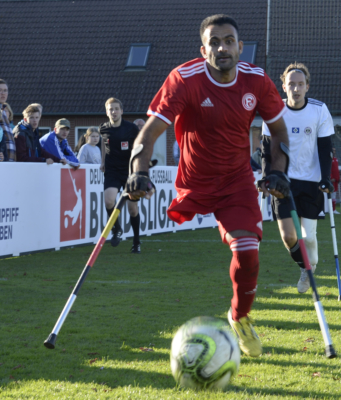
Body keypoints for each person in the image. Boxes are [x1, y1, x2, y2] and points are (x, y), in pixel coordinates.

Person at [125, 14, 290, 357]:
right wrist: (138, 171)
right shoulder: (184, 79)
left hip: (236, 180)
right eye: (214, 43)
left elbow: (279, 132)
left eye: (228, 41)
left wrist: (277, 171)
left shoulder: (257, 80)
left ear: (240, 47)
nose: (222, 48)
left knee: (248, 251)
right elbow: (149, 133)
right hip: (195, 180)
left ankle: (239, 316)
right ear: (203, 50)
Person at [261, 62, 334, 294]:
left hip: (311, 182)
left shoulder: (319, 110)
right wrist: (266, 177)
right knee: (288, 235)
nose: (296, 88)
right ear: (283, 86)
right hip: (283, 181)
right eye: (291, 84)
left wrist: (326, 178)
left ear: (307, 87)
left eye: (300, 84)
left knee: (308, 237)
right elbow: (266, 149)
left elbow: (325, 148)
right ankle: (305, 268)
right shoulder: (274, 112)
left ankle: (311, 265)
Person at [100, 97, 142, 253]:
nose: (114, 112)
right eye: (110, 109)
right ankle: (116, 228)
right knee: (109, 201)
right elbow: (104, 144)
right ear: (107, 112)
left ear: (122, 111)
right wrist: (103, 161)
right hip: (112, 171)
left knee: (132, 209)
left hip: (130, 172)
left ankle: (136, 241)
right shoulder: (103, 128)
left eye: (116, 109)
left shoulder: (131, 128)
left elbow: (140, 146)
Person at [331, 147, 340, 214]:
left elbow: (336, 169)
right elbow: (329, 169)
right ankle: (331, 209)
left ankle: (333, 209)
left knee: (334, 195)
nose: (334, 152)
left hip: (336, 180)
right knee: (332, 195)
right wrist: (331, 177)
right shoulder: (329, 159)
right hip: (332, 180)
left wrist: (338, 177)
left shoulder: (335, 159)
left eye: (335, 150)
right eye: (333, 150)